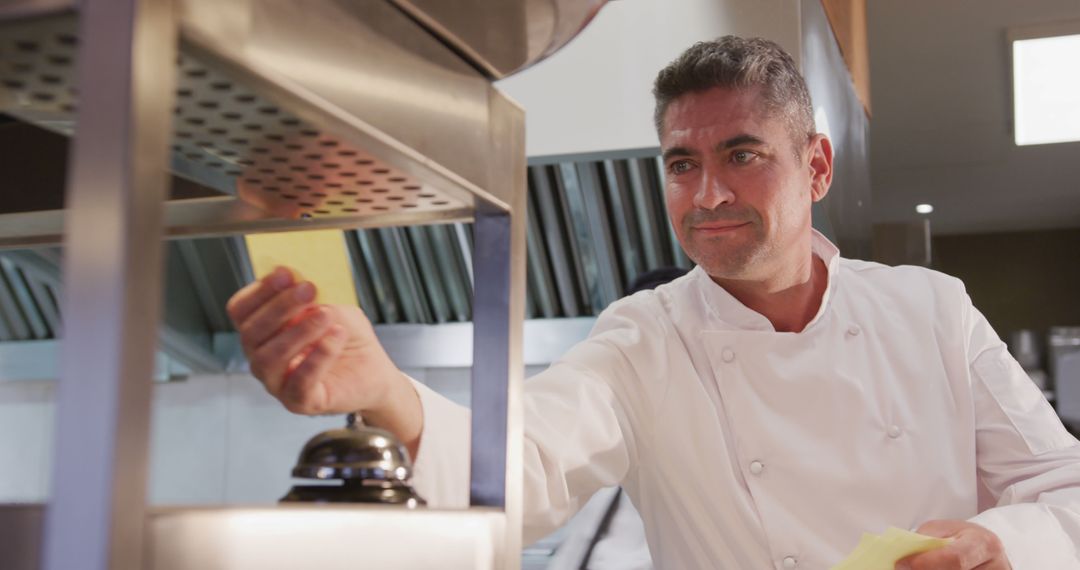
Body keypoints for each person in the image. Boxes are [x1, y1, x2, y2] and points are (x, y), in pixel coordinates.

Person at [226, 37, 1080, 569]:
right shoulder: (645, 340)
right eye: (680, 163)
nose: (706, 194)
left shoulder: (930, 310)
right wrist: (380, 390)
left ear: (816, 166)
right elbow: (525, 461)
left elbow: (1065, 489)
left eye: (743, 155)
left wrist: (999, 543)